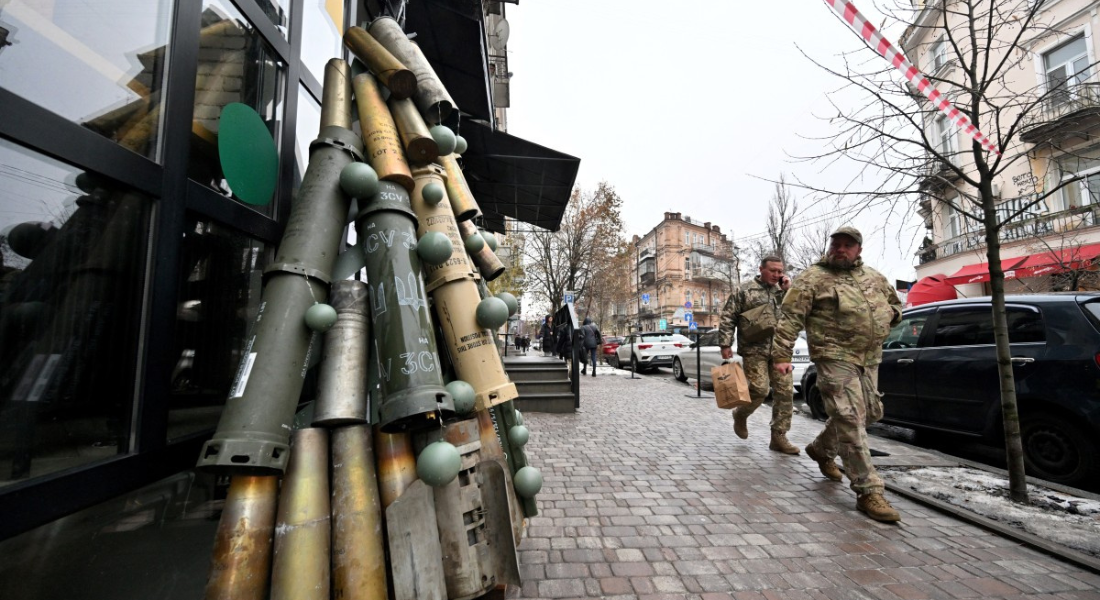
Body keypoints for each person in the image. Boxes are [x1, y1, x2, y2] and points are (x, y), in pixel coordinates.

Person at [772, 226, 904, 523]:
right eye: (836, 244)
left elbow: (896, 306)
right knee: (848, 417)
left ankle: (821, 449)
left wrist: (890, 315)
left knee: (869, 413)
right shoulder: (813, 278)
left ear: (858, 250)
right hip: (833, 355)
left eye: (848, 245)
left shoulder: (874, 276)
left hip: (868, 357)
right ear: (829, 247)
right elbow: (790, 317)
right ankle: (868, 489)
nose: (841, 249)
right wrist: (782, 355)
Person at [718, 255, 799, 455]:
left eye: (780, 271)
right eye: (773, 271)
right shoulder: (745, 290)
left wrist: (788, 291)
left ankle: (779, 437)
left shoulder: (784, 291)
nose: (777, 275)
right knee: (759, 390)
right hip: (755, 349)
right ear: (761, 269)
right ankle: (740, 414)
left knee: (785, 392)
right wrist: (725, 343)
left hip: (780, 350)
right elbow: (729, 316)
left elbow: (795, 312)